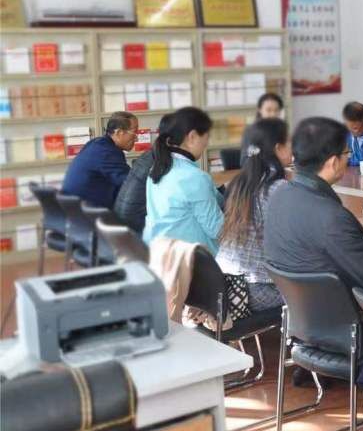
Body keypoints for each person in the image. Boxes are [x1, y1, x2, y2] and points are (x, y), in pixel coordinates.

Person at [264, 117, 363, 293]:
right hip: (342, 305)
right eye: (347, 153)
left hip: (300, 304)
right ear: (333, 162)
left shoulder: (278, 195)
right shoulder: (333, 218)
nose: (348, 158)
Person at [215, 119, 292, 312]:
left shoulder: (239, 182)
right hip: (255, 290)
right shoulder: (278, 188)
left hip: (224, 284)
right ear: (278, 148)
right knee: (324, 291)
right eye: (290, 142)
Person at [143, 107, 224, 254]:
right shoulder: (193, 177)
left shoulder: (157, 169)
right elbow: (219, 231)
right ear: (192, 137)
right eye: (206, 137)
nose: (206, 143)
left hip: (160, 254)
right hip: (194, 261)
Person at [62, 111, 137, 209]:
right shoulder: (107, 152)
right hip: (88, 212)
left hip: (76, 208)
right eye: (135, 132)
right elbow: (131, 184)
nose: (137, 138)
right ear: (119, 133)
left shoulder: (97, 144)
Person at [114, 113, 170, 233]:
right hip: (134, 229)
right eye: (134, 132)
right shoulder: (109, 153)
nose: (137, 138)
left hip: (122, 224)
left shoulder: (149, 155)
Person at [240, 92, 285, 165]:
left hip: (280, 169)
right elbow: (246, 161)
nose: (273, 114)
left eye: (276, 110)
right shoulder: (252, 131)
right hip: (259, 169)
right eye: (268, 110)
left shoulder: (281, 128)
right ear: (260, 110)